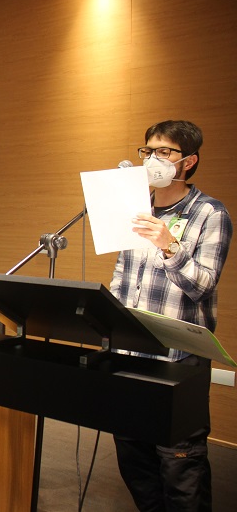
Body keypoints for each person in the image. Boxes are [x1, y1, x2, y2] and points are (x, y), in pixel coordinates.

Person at [110, 120, 232, 511]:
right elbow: (122, 278)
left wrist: (169, 246)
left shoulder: (210, 213)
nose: (153, 159)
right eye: (148, 151)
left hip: (178, 359)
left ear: (188, 161)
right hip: (130, 353)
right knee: (134, 459)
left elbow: (203, 285)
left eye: (164, 152)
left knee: (181, 466)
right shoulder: (134, 208)